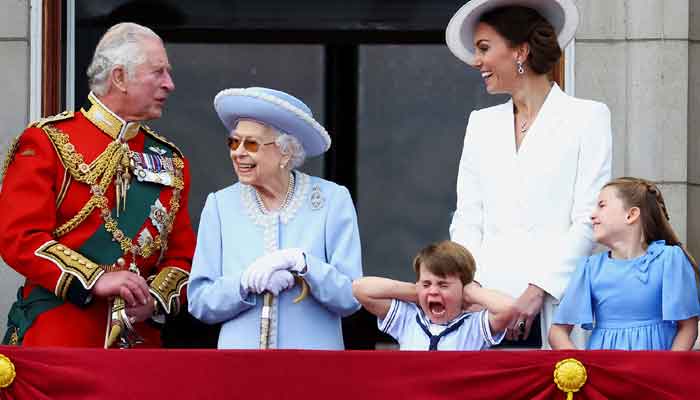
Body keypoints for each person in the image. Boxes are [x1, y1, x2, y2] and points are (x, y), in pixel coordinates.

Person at [0, 22, 195, 348]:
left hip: (138, 347)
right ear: (119, 78)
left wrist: (154, 301)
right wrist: (96, 280)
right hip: (60, 339)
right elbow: (19, 237)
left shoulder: (171, 160)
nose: (170, 84)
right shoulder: (49, 141)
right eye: (158, 72)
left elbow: (183, 258)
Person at [445, 0, 612, 348]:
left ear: (520, 51)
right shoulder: (481, 125)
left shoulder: (588, 118)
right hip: (485, 309)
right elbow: (467, 217)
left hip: (555, 306)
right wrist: (472, 287)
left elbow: (588, 220)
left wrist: (539, 290)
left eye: (484, 48)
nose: (477, 61)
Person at [187, 87, 362, 349]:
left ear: (286, 152)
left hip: (313, 368)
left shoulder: (331, 200)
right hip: (241, 368)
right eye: (234, 142)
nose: (238, 152)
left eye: (252, 144)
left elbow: (351, 297)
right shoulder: (220, 206)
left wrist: (304, 264)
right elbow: (199, 301)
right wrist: (244, 283)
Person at [549, 178, 700, 350]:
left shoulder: (669, 260)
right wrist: (580, 369)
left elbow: (688, 327)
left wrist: (667, 370)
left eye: (602, 205)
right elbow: (557, 332)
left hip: (654, 372)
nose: (592, 214)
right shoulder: (590, 268)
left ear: (631, 215)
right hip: (605, 372)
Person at [353, 240, 516, 350]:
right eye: (426, 283)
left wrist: (470, 292)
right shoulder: (408, 319)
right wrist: (416, 292)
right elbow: (360, 288)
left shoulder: (473, 326)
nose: (433, 291)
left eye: (443, 285)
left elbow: (510, 308)